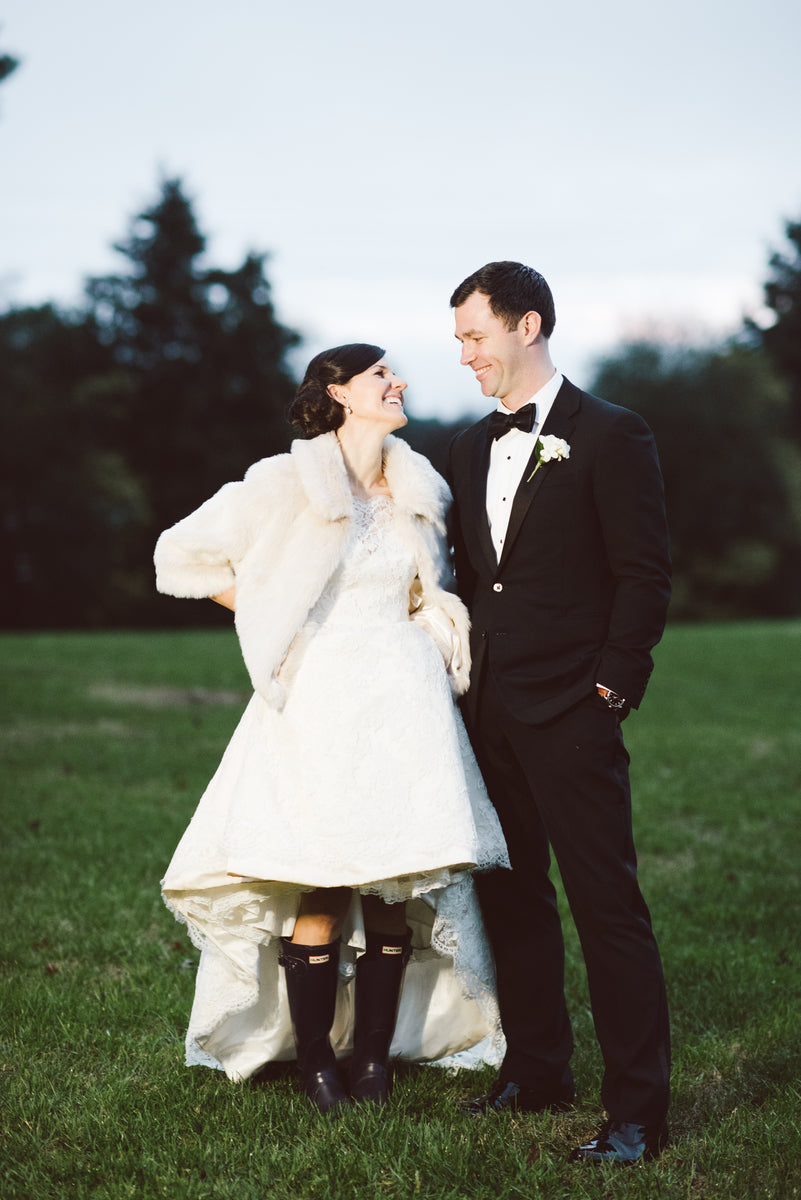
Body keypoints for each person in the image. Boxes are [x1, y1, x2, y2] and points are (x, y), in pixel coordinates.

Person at [155, 343, 508, 1113]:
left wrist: (427, 625)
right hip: (318, 697)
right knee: (319, 878)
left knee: (392, 882)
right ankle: (317, 1064)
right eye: (382, 374)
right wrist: (273, 612)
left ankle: (373, 1061)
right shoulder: (283, 480)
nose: (399, 382)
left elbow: (433, 584)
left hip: (405, 700)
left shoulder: (419, 483)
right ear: (340, 392)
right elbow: (178, 556)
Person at [447, 263, 672, 1165]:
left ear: (527, 324)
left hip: (575, 709)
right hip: (488, 708)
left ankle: (635, 1116)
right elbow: (472, 577)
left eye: (474, 336)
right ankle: (537, 1069)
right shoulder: (467, 447)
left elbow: (643, 572)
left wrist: (612, 687)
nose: (463, 355)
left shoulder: (613, 433)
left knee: (604, 905)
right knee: (513, 896)